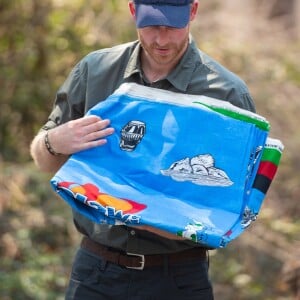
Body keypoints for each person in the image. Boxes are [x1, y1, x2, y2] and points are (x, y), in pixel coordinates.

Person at [30, 0, 256, 299]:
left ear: (193, 11)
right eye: (151, 26)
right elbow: (44, 161)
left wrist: (169, 221)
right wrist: (53, 142)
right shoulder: (95, 71)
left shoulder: (227, 95)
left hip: (178, 277)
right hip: (95, 272)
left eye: (172, 26)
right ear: (133, 11)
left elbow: (235, 207)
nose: (161, 40)